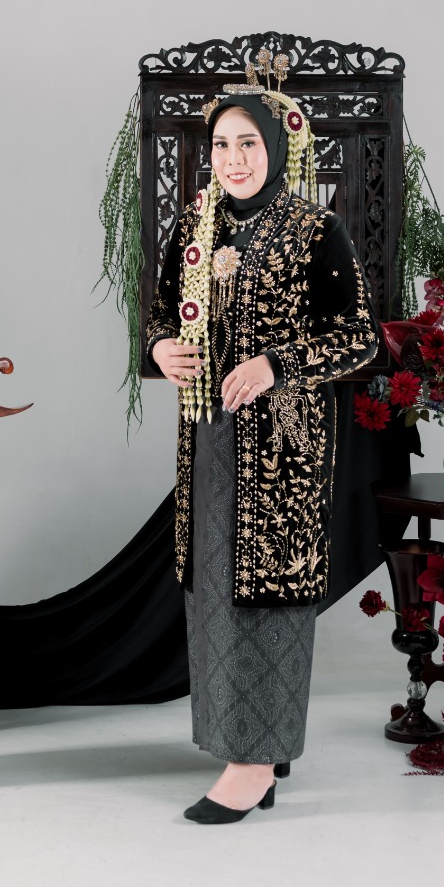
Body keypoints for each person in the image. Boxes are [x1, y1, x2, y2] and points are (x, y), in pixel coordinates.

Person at [146, 62, 379, 824]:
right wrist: (160, 348)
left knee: (268, 591)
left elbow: (359, 338)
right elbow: (159, 314)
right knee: (216, 588)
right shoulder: (196, 226)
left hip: (283, 447)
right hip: (209, 439)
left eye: (248, 142)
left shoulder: (315, 228)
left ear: (277, 148)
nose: (233, 158)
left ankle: (252, 765)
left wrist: (277, 364)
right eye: (221, 144)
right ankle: (244, 744)